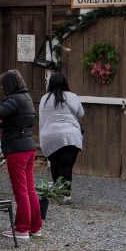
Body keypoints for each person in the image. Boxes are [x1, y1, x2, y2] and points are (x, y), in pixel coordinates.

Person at [0, 69, 40, 240]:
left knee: (21, 191)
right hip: (29, 147)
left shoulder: (14, 99)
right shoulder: (27, 98)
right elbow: (16, 121)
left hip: (17, 150)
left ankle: (22, 228)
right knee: (30, 190)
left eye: (3, 85)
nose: (2, 88)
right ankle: (35, 227)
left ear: (9, 85)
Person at [39, 72, 84, 204]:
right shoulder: (72, 96)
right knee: (66, 165)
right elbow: (81, 113)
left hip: (50, 136)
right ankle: (66, 195)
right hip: (70, 136)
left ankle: (58, 192)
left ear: (50, 84)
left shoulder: (44, 99)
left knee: (55, 163)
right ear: (65, 83)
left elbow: (42, 118)